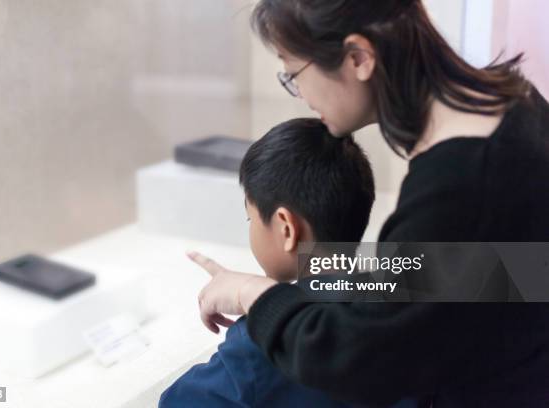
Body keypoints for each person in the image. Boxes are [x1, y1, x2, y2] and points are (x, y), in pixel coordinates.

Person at [187, 0, 549, 407]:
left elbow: (355, 357)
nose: (300, 93)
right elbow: (492, 273)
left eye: (294, 74)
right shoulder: (512, 105)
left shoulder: (461, 177)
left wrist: (251, 293)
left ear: (358, 57)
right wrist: (332, 268)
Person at [161, 118, 417, 407]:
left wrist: (253, 309)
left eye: (251, 218)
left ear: (286, 228)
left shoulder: (264, 343)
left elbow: (176, 402)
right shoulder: (400, 310)